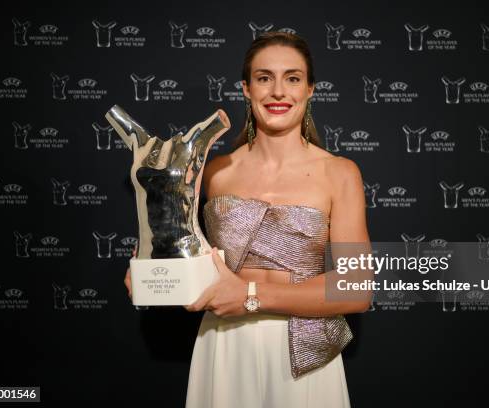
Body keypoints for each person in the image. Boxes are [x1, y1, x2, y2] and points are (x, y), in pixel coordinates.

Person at [125, 31, 372, 408]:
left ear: (310, 90)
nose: (278, 91)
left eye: (292, 78)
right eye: (263, 78)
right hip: (225, 346)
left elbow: (356, 286)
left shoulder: (340, 173)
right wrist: (150, 271)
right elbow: (180, 247)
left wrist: (250, 297)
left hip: (307, 353)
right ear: (245, 89)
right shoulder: (213, 171)